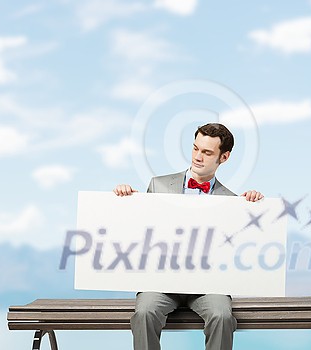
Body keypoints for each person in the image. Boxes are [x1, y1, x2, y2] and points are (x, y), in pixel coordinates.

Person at [113, 123, 263, 350]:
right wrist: (126, 200)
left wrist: (253, 205)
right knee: (144, 312)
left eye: (207, 152)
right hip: (161, 282)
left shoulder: (233, 201)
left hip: (207, 285)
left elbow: (241, 248)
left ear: (224, 157)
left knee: (222, 316)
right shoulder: (158, 185)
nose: (198, 157)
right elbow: (138, 232)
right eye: (195, 149)